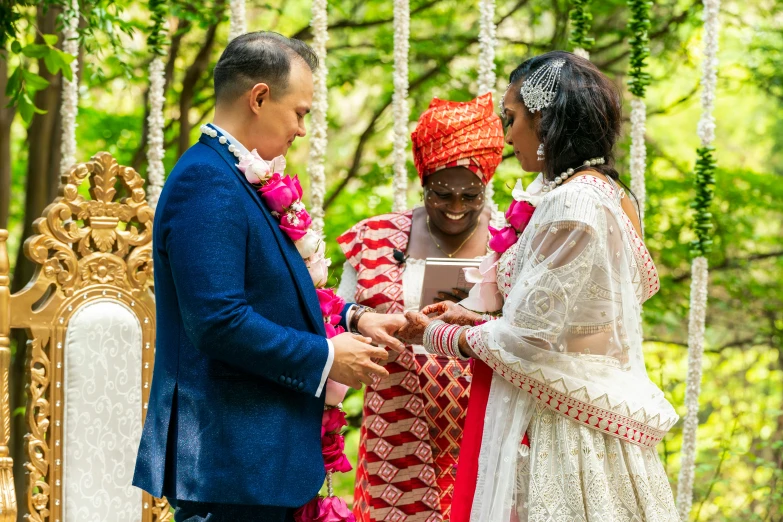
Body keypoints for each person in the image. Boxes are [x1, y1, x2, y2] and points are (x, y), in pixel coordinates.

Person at [132, 32, 404, 522]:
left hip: (259, 462)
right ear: (258, 97)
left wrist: (355, 318)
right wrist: (324, 356)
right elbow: (218, 320)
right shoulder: (206, 182)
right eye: (300, 112)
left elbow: (272, 292)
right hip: (232, 460)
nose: (302, 129)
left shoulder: (238, 175)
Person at [398, 51, 680, 522]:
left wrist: (433, 335)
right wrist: (476, 318)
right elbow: (575, 321)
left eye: (512, 118)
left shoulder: (572, 205)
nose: (508, 135)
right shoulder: (611, 195)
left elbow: (525, 340)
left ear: (545, 119)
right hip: (588, 414)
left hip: (568, 431)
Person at [336, 93, 505, 522]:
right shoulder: (375, 238)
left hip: (487, 437)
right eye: (441, 194)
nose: (455, 208)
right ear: (423, 179)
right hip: (395, 442)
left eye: (470, 196)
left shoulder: (513, 239)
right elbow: (337, 323)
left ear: (486, 184)